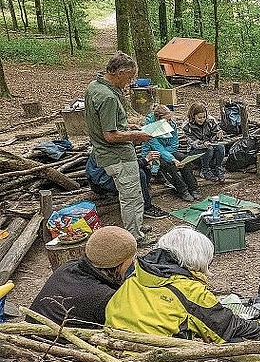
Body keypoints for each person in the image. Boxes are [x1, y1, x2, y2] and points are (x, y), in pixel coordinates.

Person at [105, 226, 260, 342]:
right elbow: (226, 327)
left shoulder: (140, 272)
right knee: (234, 345)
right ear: (197, 259)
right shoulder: (188, 290)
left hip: (115, 347)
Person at [85, 51, 154, 246]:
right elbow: (110, 135)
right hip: (117, 155)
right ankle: (135, 236)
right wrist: (136, 136)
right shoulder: (108, 97)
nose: (130, 82)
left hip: (109, 153)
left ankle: (136, 226)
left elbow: (105, 123)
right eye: (129, 77)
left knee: (131, 194)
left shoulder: (95, 86)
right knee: (131, 196)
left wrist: (126, 127)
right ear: (118, 73)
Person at [29, 226, 137, 329]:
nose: (133, 262)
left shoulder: (68, 266)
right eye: (132, 258)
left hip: (29, 331)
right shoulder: (103, 297)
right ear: (120, 263)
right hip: (53, 344)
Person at [87, 152, 170, 221]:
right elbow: (124, 168)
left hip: (111, 177)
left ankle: (141, 198)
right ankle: (146, 208)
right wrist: (146, 160)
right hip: (102, 183)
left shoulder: (120, 145)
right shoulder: (109, 149)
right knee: (139, 174)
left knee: (145, 169)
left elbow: (129, 163)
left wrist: (146, 163)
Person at [142, 104, 200, 202]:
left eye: (170, 119)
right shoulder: (150, 128)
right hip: (153, 154)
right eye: (166, 120)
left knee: (184, 159)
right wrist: (171, 158)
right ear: (158, 119)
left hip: (168, 151)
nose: (169, 122)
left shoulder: (172, 124)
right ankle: (183, 190)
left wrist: (168, 155)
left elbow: (175, 144)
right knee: (169, 164)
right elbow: (156, 147)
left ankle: (193, 187)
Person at [184, 102, 226, 182]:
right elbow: (192, 142)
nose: (202, 119)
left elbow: (215, 139)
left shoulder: (211, 121)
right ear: (193, 116)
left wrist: (218, 136)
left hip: (210, 149)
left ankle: (219, 168)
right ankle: (205, 170)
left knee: (220, 146)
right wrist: (203, 144)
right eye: (199, 118)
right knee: (208, 148)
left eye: (204, 117)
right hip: (195, 153)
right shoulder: (187, 126)